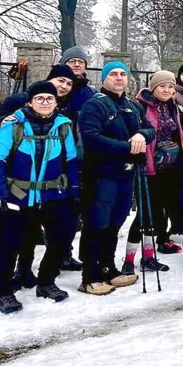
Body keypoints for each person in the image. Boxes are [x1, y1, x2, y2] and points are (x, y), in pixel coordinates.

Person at [0, 81, 80, 312]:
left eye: (50, 98)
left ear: (56, 102)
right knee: (9, 245)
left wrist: (74, 190)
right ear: (30, 101)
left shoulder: (63, 127)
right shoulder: (13, 126)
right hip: (18, 196)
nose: (45, 102)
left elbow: (70, 161)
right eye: (39, 98)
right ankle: (5, 293)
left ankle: (47, 281)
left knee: (62, 238)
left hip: (53, 195)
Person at [77, 61, 152, 293]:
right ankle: (90, 274)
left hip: (126, 175)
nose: (119, 78)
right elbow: (92, 138)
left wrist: (141, 134)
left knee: (115, 222)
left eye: (123, 74)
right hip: (102, 174)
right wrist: (127, 147)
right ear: (104, 78)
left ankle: (108, 267)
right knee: (97, 223)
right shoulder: (95, 105)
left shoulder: (133, 105)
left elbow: (150, 129)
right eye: (113, 74)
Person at [124, 72, 183, 276]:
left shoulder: (173, 107)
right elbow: (134, 134)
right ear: (153, 88)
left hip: (168, 169)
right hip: (147, 168)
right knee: (143, 215)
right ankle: (128, 260)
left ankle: (149, 257)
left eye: (171, 87)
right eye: (162, 87)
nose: (167, 91)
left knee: (156, 215)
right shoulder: (140, 106)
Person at [58, 46, 95, 114]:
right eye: (72, 61)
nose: (77, 64)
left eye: (81, 62)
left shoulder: (92, 94)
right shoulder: (54, 89)